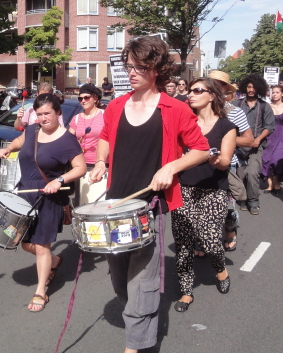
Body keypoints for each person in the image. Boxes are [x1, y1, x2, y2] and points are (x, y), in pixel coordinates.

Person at [88, 36, 209, 353]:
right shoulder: (115, 106)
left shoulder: (175, 109)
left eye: (140, 67)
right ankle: (137, 318)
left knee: (142, 278)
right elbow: (104, 138)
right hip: (116, 205)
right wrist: (101, 161)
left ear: (156, 69)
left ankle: (136, 344)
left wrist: (172, 167)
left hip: (149, 208)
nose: (132, 72)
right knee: (119, 276)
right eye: (130, 66)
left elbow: (201, 150)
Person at [0, 93, 86, 312]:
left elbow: (80, 168)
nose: (43, 118)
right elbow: (20, 141)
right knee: (24, 242)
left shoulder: (67, 140)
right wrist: (9, 148)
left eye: (47, 113)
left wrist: (59, 180)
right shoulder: (32, 130)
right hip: (25, 194)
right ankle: (55, 261)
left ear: (58, 113)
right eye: (39, 114)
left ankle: (40, 291)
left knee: (41, 246)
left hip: (49, 199)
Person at [171, 78, 237, 312]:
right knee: (184, 244)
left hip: (213, 190)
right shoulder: (183, 124)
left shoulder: (226, 127)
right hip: (184, 188)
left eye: (198, 90)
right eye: (190, 90)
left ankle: (221, 270)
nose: (191, 94)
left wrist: (214, 158)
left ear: (212, 95)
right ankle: (186, 291)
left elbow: (226, 163)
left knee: (210, 240)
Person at [207, 70, 254, 253]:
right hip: (201, 164)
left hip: (227, 165)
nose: (213, 88)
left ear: (225, 88)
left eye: (218, 84)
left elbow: (249, 140)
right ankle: (204, 239)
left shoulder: (235, 112)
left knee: (226, 206)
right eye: (210, 83)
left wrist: (225, 139)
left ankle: (229, 231)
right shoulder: (196, 110)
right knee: (202, 205)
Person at [233, 74, 275, 215]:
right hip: (238, 146)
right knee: (240, 173)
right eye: (249, 87)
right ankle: (243, 199)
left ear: (259, 89)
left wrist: (258, 139)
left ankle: (253, 201)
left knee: (252, 173)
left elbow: (269, 126)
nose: (251, 90)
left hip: (256, 146)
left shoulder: (264, 106)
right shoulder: (236, 104)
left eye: (254, 87)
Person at [68, 84, 106, 205]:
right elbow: (68, 140)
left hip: (101, 164)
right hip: (82, 166)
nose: (83, 101)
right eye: (80, 98)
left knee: (100, 202)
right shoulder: (77, 118)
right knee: (83, 202)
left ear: (95, 98)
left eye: (86, 97)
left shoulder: (105, 115)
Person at [261, 84, 283, 194]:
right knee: (267, 159)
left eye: (277, 92)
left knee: (277, 159)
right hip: (269, 136)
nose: (274, 94)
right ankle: (270, 185)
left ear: (282, 94)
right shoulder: (267, 106)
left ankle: (277, 183)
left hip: (281, 136)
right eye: (273, 92)